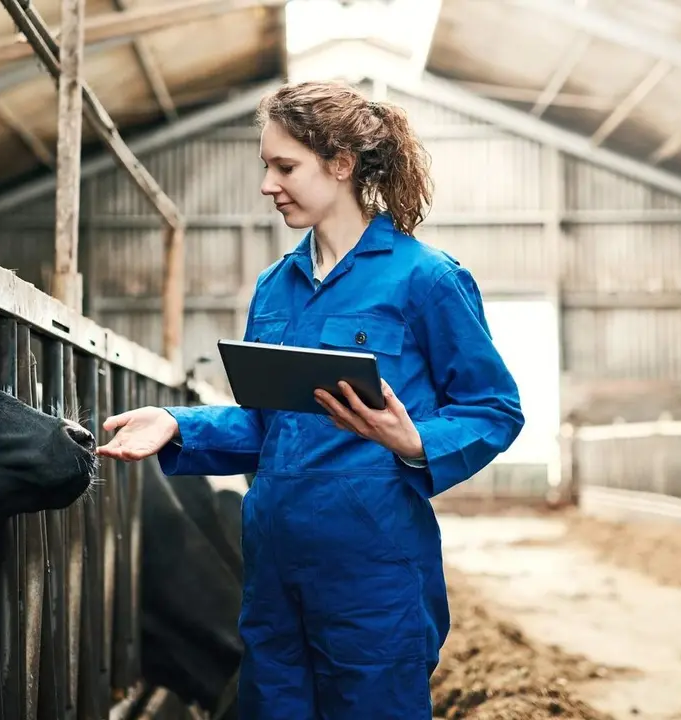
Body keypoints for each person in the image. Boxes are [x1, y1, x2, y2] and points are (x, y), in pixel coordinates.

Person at [96, 80, 524, 719]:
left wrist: (416, 442)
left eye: (285, 166)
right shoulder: (275, 287)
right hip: (272, 564)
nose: (269, 184)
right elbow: (268, 428)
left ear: (342, 165)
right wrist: (175, 424)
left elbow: (494, 407)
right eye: (266, 166)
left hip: (371, 566)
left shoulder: (424, 279)